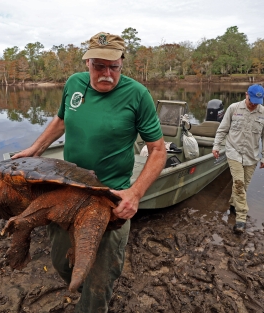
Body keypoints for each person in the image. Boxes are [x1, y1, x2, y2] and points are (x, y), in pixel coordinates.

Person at [12, 32, 167, 312]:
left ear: (122, 64)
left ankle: (95, 302)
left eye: (113, 67)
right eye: (99, 66)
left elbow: (157, 150)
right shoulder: (74, 83)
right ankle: (85, 292)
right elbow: (61, 120)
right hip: (67, 191)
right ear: (87, 63)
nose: (106, 74)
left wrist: (135, 193)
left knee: (99, 277)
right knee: (61, 261)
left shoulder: (137, 95)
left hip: (108, 199)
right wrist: (35, 149)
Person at [212, 84, 264, 234]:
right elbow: (223, 129)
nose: (253, 104)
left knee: (243, 186)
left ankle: (233, 204)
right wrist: (216, 146)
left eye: (257, 102)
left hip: (252, 156)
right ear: (246, 94)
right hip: (234, 152)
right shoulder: (233, 109)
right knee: (238, 183)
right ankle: (241, 218)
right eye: (251, 100)